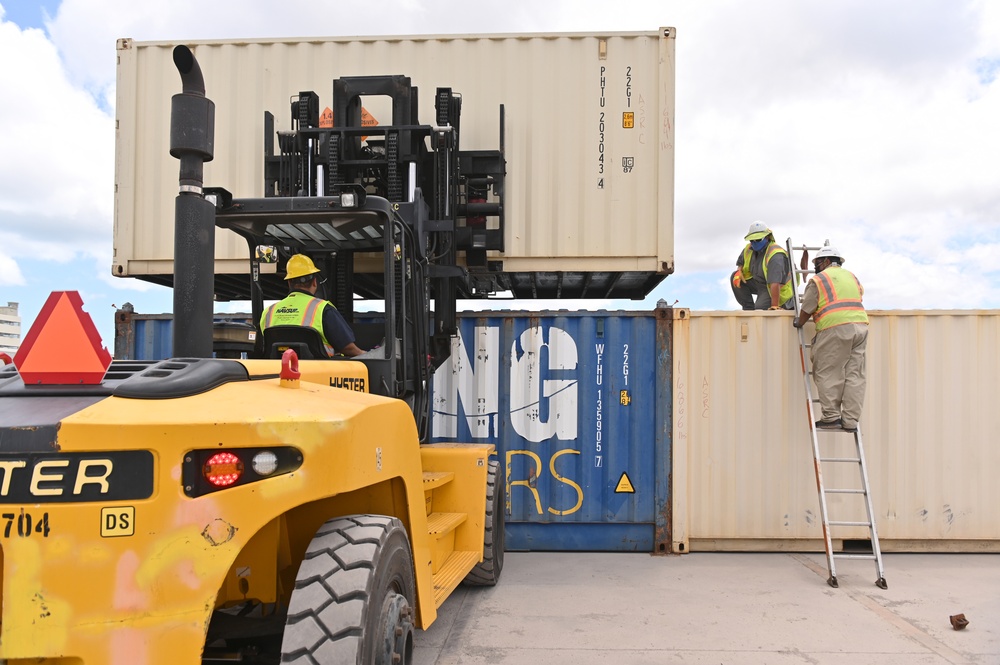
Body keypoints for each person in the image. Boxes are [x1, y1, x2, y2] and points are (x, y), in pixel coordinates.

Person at [793, 245, 868, 433]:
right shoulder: (852, 277)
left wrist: (799, 323)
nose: (815, 267)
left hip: (835, 328)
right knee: (855, 375)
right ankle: (850, 420)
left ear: (826, 261)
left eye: (817, 263)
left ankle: (831, 417)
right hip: (860, 327)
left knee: (826, 371)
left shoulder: (819, 280)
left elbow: (808, 307)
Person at [261, 254, 365, 357]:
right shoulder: (323, 309)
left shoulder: (269, 312)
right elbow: (347, 347)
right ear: (315, 282)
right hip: (317, 372)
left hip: (278, 371)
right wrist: (366, 355)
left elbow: (261, 346)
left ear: (289, 283)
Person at [731, 221, 794, 311]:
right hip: (759, 282)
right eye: (752, 240)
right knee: (734, 276)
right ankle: (748, 309)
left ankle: (772, 305)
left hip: (776, 288)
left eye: (758, 239)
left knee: (760, 310)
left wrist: (774, 306)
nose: (754, 242)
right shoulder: (749, 249)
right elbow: (741, 261)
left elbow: (775, 283)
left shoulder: (776, 255)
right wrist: (739, 270)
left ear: (767, 237)